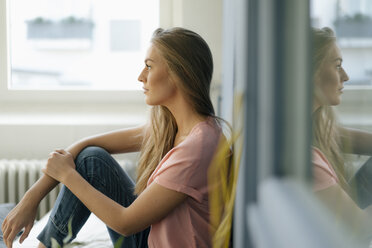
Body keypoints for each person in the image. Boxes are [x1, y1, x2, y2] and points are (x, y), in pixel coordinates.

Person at [1, 27, 228, 248]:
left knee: (89, 163)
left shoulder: (198, 146)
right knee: (92, 159)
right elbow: (84, 147)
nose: (141, 77)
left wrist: (68, 175)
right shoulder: (173, 127)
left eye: (149, 67)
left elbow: (125, 223)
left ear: (182, 73)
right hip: (149, 238)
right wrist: (30, 199)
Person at [311, 27, 372, 241]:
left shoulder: (310, 127)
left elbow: (345, 137)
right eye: (337, 66)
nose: (345, 76)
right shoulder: (307, 158)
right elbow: (361, 230)